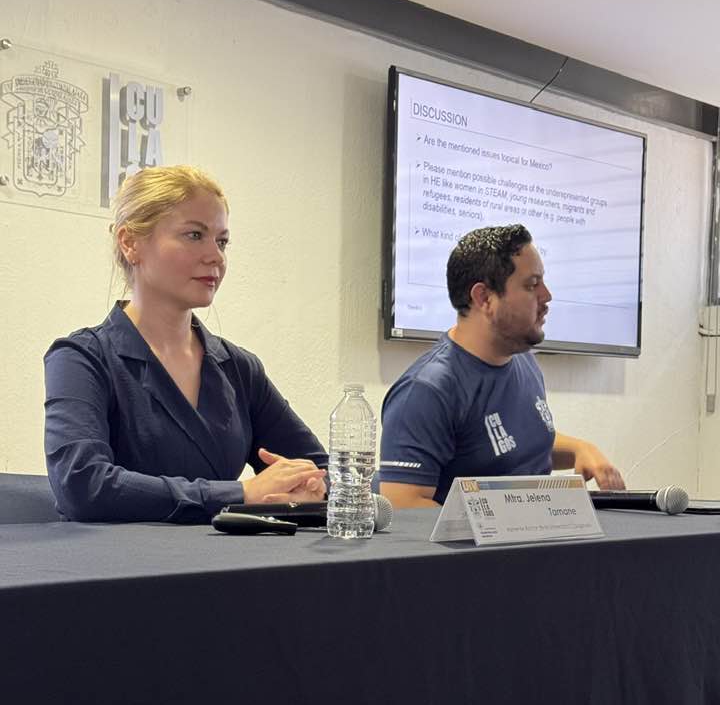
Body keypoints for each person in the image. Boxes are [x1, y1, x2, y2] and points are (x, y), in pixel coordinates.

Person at [44, 165, 327, 523]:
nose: (216, 257)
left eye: (222, 242)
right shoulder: (82, 358)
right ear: (130, 243)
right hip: (116, 559)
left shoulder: (239, 369)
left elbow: (322, 469)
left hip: (223, 557)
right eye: (194, 235)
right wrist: (240, 494)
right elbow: (82, 486)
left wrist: (310, 488)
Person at [379, 224, 625, 508]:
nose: (546, 296)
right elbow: (403, 504)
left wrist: (579, 449)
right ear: (484, 298)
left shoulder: (524, 362)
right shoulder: (426, 391)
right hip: (486, 539)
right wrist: (500, 524)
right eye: (532, 285)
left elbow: (515, 446)